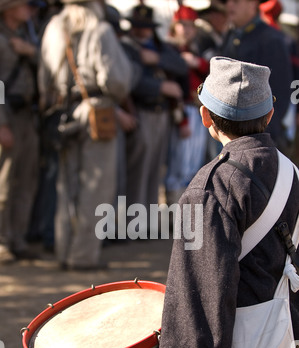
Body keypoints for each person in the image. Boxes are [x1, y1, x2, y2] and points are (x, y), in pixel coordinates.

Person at [159, 57, 299, 348]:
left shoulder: (210, 187)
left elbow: (199, 292)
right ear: (271, 113)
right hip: (274, 346)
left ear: (205, 116)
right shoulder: (291, 172)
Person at [38, 0, 133, 269]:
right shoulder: (100, 30)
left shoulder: (53, 28)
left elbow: (43, 78)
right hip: (96, 112)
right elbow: (116, 80)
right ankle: (83, 257)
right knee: (97, 187)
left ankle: (63, 250)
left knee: (66, 186)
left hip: (62, 113)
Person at [121, 3, 188, 237]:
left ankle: (147, 226)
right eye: (139, 26)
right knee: (138, 171)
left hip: (163, 115)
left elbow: (180, 66)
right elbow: (130, 82)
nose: (143, 31)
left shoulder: (159, 48)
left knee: (155, 171)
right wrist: (161, 86)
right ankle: (132, 226)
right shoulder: (126, 47)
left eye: (146, 26)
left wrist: (156, 60)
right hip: (142, 111)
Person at [219, 0, 294, 153]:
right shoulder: (231, 35)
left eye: (236, 2)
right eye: (228, 2)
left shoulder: (271, 39)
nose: (229, 6)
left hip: (255, 136)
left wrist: (263, 132)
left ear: (253, 4)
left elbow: (280, 91)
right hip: (228, 129)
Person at [0, 0, 39, 263]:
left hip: (27, 114)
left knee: (26, 180)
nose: (29, 9)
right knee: (4, 183)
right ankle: (2, 241)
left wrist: (30, 51)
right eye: (24, 4)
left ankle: (18, 238)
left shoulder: (27, 34)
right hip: (7, 114)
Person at [165, 5, 210, 206]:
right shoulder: (170, 49)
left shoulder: (195, 49)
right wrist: (181, 118)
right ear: (175, 27)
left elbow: (210, 70)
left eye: (191, 26)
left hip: (197, 108)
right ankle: (175, 213)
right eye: (183, 25)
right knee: (179, 167)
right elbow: (174, 90)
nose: (188, 30)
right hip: (181, 111)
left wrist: (197, 62)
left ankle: (186, 213)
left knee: (193, 166)